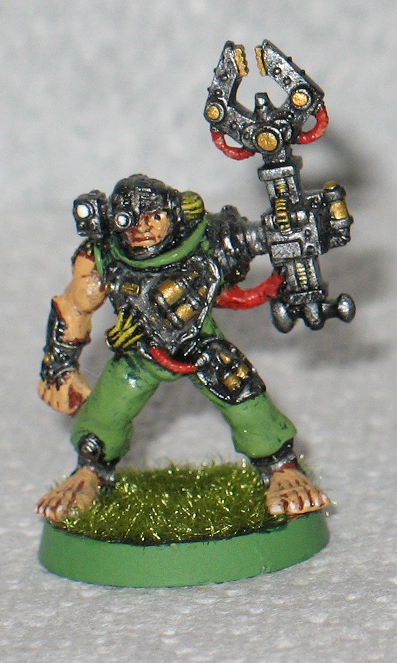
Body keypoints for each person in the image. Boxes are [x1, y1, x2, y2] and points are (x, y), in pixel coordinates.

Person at [36, 174, 329, 522]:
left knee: (245, 397)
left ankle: (281, 468)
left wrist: (292, 231)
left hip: (201, 346)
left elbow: (258, 238)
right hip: (140, 353)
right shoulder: (105, 256)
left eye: (154, 216)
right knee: (102, 418)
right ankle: (90, 472)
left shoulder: (205, 239)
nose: (142, 228)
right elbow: (74, 307)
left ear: (173, 213)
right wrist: (60, 366)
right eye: (129, 219)